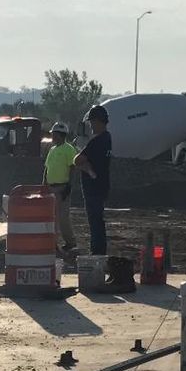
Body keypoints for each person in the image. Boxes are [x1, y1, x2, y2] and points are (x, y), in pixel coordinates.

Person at [70, 103, 112, 257]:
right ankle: (99, 252)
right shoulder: (107, 138)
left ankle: (97, 253)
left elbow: (77, 160)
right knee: (97, 221)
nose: (91, 126)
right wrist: (87, 167)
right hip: (101, 186)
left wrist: (86, 167)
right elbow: (82, 161)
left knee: (95, 222)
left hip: (93, 188)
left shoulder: (97, 141)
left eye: (92, 122)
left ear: (98, 121)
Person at [42, 121, 78, 255]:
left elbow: (72, 168)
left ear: (61, 135)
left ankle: (70, 243)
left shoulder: (69, 149)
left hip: (62, 188)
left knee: (62, 217)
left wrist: (69, 186)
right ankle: (53, 243)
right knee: (52, 217)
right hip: (51, 188)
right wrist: (43, 184)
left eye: (55, 134)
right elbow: (46, 168)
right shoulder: (52, 150)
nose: (52, 137)